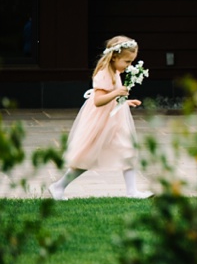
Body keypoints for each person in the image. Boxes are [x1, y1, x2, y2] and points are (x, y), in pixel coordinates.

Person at [48, 36, 152, 200]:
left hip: (116, 119)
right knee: (88, 156)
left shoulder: (116, 71)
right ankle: (59, 186)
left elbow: (112, 98)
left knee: (128, 150)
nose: (129, 66)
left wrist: (125, 101)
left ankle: (132, 191)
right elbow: (98, 101)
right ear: (115, 57)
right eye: (127, 61)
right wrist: (117, 93)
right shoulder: (103, 74)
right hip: (101, 121)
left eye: (131, 62)